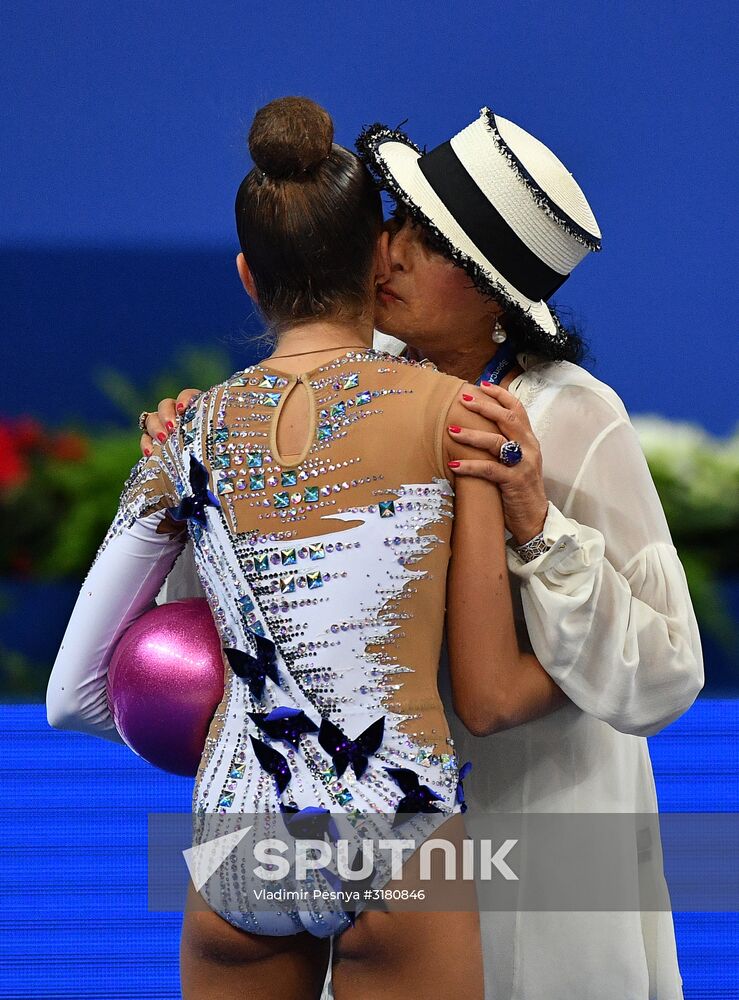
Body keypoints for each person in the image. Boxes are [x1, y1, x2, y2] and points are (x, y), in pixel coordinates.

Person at [145, 107, 705, 1000]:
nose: (391, 252)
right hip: (379, 850)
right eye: (397, 221)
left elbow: (666, 674)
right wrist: (196, 466)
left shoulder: (576, 415)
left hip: (545, 855)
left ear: (495, 295)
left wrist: (536, 523)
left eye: (431, 244)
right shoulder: (350, 394)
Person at [45, 97, 557, 1000]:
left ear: (248, 275)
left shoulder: (186, 435)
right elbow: (487, 694)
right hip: (398, 839)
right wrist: (612, 668)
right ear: (377, 260)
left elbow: (73, 699)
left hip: (238, 832)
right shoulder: (456, 419)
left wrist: (233, 730)